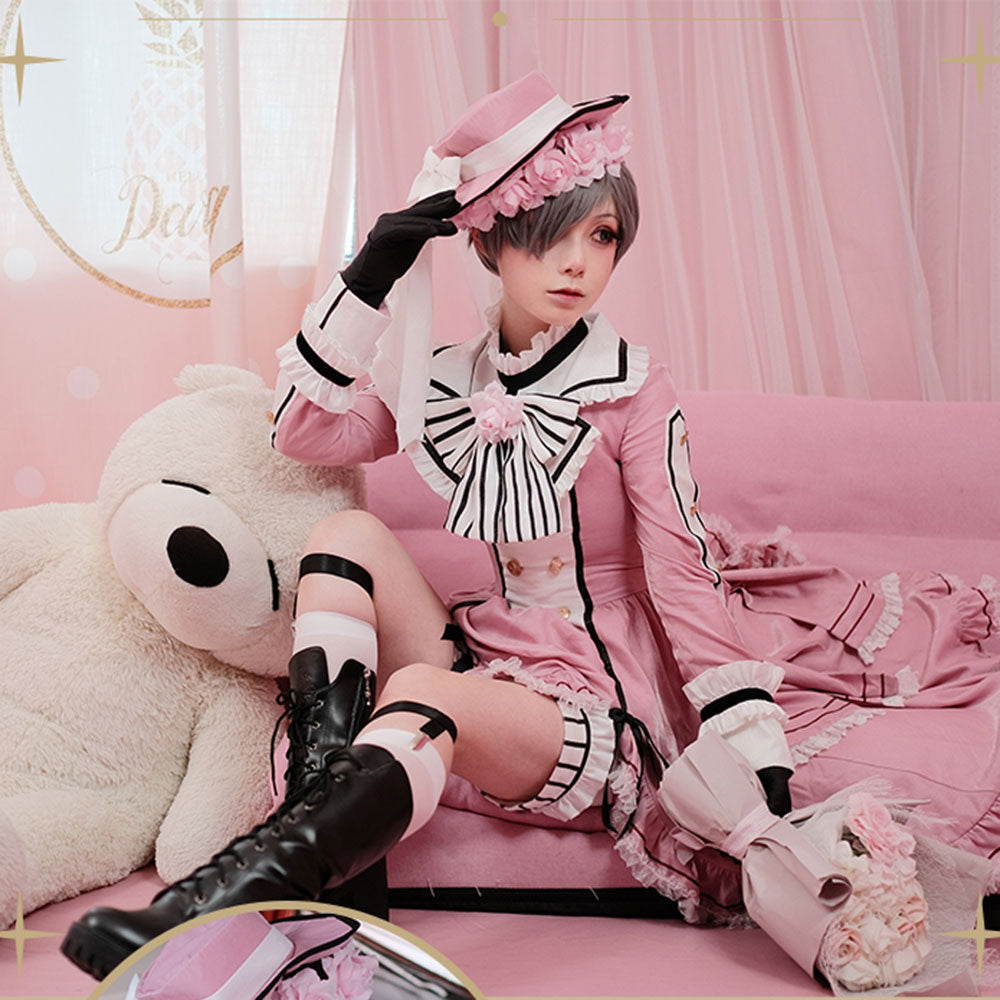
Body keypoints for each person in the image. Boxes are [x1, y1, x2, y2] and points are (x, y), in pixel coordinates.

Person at [63, 71, 1000, 981]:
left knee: (425, 691)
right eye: (552, 232)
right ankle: (325, 848)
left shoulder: (630, 386)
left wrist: (751, 742)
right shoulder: (445, 379)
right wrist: (372, 273)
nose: (580, 262)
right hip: (502, 643)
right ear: (490, 241)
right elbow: (303, 431)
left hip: (606, 684)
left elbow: (681, 569)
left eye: (603, 235)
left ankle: (205, 908)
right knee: (340, 541)